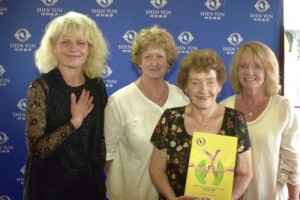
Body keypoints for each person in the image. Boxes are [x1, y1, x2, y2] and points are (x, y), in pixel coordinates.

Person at [23, 11, 109, 200]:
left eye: (81, 42)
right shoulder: (41, 88)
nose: (73, 48)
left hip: (89, 187)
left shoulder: (97, 86)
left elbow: (99, 140)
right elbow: (36, 151)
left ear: (90, 48)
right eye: (65, 42)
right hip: (50, 189)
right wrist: (74, 123)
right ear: (54, 47)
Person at [149, 49, 253, 200]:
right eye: (195, 82)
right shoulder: (170, 119)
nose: (204, 90)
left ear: (219, 86)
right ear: (186, 87)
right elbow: (156, 169)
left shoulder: (236, 120)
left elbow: (245, 173)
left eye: (210, 82)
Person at [104, 25, 189, 200]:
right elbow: (107, 156)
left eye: (160, 56)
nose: (154, 62)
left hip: (173, 195)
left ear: (169, 63)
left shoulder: (181, 97)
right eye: (147, 56)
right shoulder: (119, 101)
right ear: (139, 62)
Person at [220, 41, 300, 200]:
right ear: (237, 71)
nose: (249, 72)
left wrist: (294, 198)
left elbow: (292, 160)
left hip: (271, 194)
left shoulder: (283, 107)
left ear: (268, 70)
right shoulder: (223, 108)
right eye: (243, 66)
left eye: (257, 66)